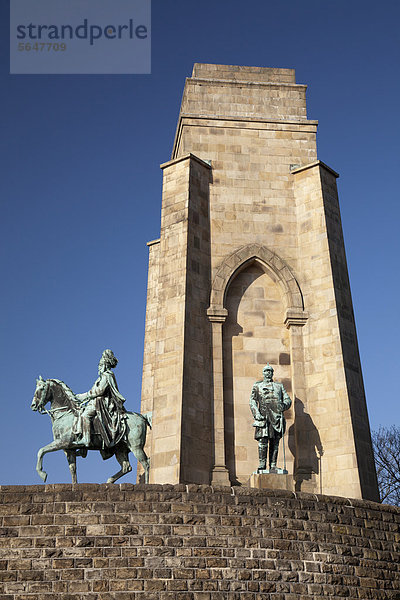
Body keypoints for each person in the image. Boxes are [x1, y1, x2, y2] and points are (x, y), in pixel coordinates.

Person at [74, 349, 127, 454]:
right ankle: (83, 449)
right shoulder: (101, 378)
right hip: (96, 402)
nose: (98, 367)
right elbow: (93, 391)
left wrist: (82, 396)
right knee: (79, 414)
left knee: (85, 416)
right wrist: (81, 397)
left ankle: (86, 440)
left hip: (103, 403)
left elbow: (99, 391)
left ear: (105, 365)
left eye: (100, 365)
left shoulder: (107, 376)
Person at [249, 364, 292, 472]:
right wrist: (257, 413)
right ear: (263, 373)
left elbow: (288, 400)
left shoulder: (279, 386)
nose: (268, 373)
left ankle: (273, 465)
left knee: (275, 442)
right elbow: (252, 401)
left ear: (272, 373)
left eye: (270, 371)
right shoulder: (257, 386)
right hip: (263, 416)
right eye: (266, 371)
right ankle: (262, 464)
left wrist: (283, 405)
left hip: (276, 417)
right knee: (263, 440)